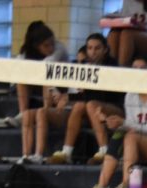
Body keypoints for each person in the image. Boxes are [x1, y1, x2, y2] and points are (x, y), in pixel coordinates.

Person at [81, 78, 147, 188]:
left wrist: (122, 122)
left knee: (130, 136)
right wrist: (109, 122)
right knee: (121, 133)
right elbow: (131, 126)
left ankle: (126, 187)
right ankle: (102, 187)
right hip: (139, 144)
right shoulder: (130, 96)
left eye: (142, 68)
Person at [49, 34, 124, 165]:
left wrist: (69, 97)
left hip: (114, 107)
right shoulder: (83, 65)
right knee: (79, 106)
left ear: (105, 49)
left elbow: (103, 95)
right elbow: (87, 95)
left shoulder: (112, 65)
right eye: (90, 48)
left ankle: (105, 150)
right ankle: (67, 152)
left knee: (90, 104)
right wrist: (63, 96)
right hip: (94, 106)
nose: (93, 52)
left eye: (97, 48)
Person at [16, 23, 70, 164]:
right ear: (36, 46)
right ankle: (26, 155)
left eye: (52, 44)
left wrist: (57, 94)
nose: (51, 48)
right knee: (28, 115)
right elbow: (18, 64)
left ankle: (38, 155)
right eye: (46, 45)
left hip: (63, 100)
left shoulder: (59, 49)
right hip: (49, 89)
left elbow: (48, 64)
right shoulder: (28, 53)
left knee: (41, 112)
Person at [107, 0, 147, 67]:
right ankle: (110, 68)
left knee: (127, 35)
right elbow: (124, 19)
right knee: (114, 33)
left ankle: (123, 69)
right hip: (133, 32)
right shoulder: (127, 1)